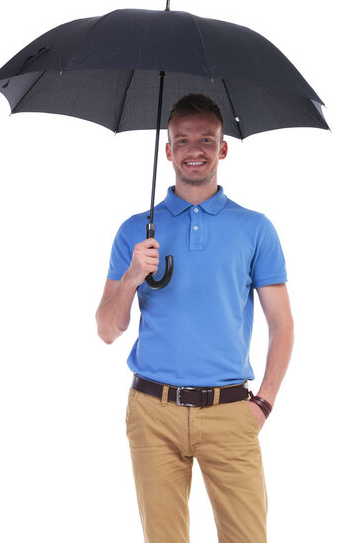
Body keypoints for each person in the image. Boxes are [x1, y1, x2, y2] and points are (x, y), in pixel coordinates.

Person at [95, 94, 294, 543]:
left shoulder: (255, 228)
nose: (194, 149)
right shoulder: (135, 229)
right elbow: (107, 330)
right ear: (167, 150)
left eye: (206, 138)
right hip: (152, 413)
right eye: (182, 140)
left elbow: (282, 323)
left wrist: (263, 402)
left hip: (230, 412)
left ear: (223, 148)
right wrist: (130, 279)